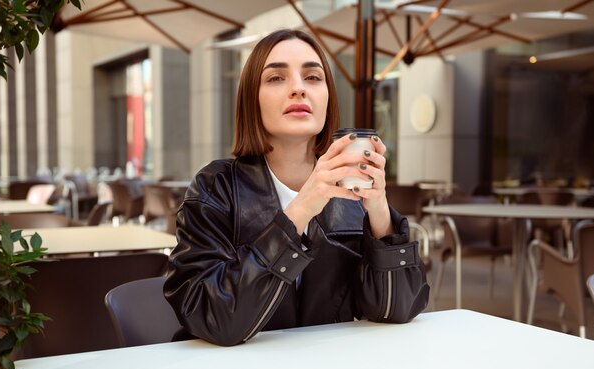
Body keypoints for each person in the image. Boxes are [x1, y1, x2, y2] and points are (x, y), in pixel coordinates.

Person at [164, 29, 428, 346]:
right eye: (276, 78)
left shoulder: (350, 193)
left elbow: (396, 311)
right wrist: (301, 209)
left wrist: (379, 212)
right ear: (252, 98)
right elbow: (216, 318)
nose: (298, 89)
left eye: (313, 77)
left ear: (327, 98)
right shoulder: (215, 188)